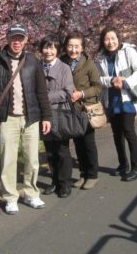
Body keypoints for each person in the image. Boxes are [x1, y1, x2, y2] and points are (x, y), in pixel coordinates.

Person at [0, 23, 52, 215]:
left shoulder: (33, 61)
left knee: (32, 159)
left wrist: (46, 116)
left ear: (26, 40)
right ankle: (10, 197)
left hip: (31, 117)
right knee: (8, 159)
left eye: (20, 38)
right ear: (7, 39)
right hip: (7, 118)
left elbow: (41, 91)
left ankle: (31, 193)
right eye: (13, 38)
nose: (16, 42)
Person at [96, 27, 137, 182]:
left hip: (127, 98)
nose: (110, 42)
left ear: (118, 38)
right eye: (107, 39)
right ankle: (123, 165)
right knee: (117, 134)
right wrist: (111, 80)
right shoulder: (101, 58)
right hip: (111, 99)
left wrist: (125, 82)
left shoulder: (128, 51)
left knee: (129, 131)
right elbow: (99, 79)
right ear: (102, 42)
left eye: (113, 38)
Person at [60, 31, 102, 191]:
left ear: (82, 47)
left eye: (76, 46)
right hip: (69, 110)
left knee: (88, 143)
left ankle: (92, 175)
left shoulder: (88, 63)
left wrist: (81, 94)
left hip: (85, 108)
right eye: (70, 46)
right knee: (77, 143)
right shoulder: (62, 61)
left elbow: (98, 87)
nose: (73, 49)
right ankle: (83, 173)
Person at [39, 35, 75, 198]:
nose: (48, 51)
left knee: (62, 150)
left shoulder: (64, 68)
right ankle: (54, 181)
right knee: (50, 150)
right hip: (43, 115)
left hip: (60, 112)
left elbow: (67, 92)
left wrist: (45, 97)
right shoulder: (37, 67)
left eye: (52, 47)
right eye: (46, 47)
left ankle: (65, 183)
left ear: (57, 50)